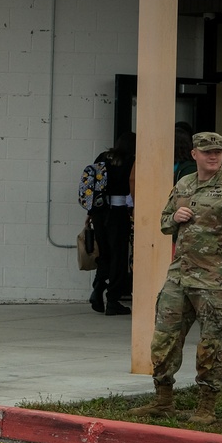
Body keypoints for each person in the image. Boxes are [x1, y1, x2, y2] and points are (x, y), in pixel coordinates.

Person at [130, 132, 222, 425]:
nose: (213, 156)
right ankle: (163, 401)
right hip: (180, 277)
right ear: (194, 154)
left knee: (210, 345)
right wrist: (174, 217)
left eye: (217, 151)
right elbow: (165, 223)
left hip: (215, 281)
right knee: (164, 338)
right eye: (207, 152)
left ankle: (207, 406)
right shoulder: (184, 184)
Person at [89, 132, 136, 316]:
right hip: (118, 211)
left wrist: (90, 212)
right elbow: (132, 186)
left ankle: (98, 288)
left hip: (99, 211)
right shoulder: (132, 160)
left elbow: (93, 184)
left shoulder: (103, 156)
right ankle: (113, 299)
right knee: (119, 254)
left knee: (105, 252)